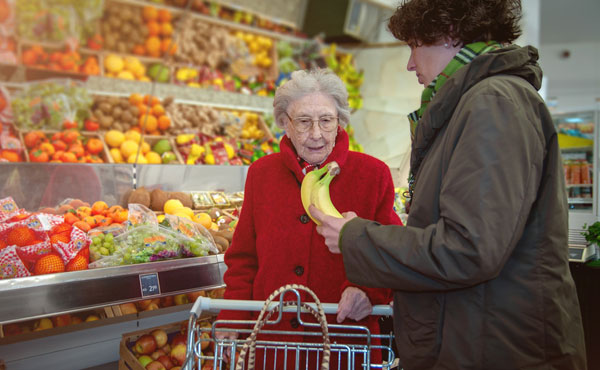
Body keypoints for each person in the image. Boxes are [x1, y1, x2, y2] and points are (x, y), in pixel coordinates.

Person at [311, 1, 587, 369]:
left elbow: (468, 248)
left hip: (492, 348)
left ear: (448, 33)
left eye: (413, 45)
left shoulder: (492, 103)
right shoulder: (481, 102)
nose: (410, 63)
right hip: (478, 337)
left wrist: (356, 237)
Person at [216, 68, 402, 368]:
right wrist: (232, 315)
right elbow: (243, 258)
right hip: (273, 345)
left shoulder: (373, 175)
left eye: (326, 121)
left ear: (340, 122)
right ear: (283, 124)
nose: (316, 134)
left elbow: (393, 253)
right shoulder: (261, 175)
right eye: (303, 121)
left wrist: (370, 292)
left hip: (346, 342)